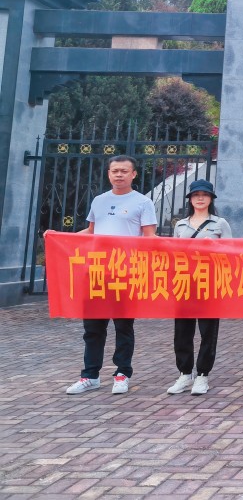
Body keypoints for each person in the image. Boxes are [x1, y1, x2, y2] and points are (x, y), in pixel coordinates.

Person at [66, 155, 157, 395]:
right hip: (97, 272)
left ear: (133, 174)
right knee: (92, 328)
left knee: (123, 326)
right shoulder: (99, 201)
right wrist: (60, 237)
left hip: (126, 273)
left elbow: (149, 238)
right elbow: (91, 231)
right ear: (108, 173)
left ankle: (122, 373)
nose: (119, 174)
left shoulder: (143, 202)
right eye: (115, 170)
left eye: (124, 171)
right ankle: (90, 376)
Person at [166, 179, 232, 396]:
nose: (200, 198)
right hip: (184, 282)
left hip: (209, 282)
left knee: (207, 330)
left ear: (211, 198)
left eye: (205, 195)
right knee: (182, 331)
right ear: (190, 199)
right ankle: (185, 373)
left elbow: (230, 253)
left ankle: (203, 374)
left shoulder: (220, 223)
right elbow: (174, 254)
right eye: (196, 195)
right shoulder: (180, 225)